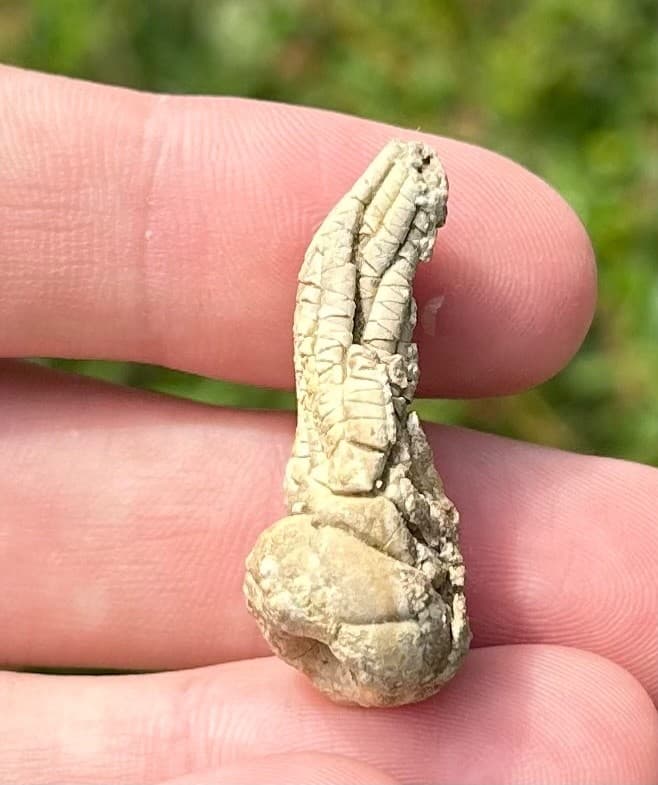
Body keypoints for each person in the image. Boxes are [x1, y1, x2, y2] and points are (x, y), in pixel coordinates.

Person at [0, 65, 656, 785]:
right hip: (374, 615)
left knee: (349, 333)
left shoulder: (353, 513)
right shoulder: (355, 529)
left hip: (376, 611)